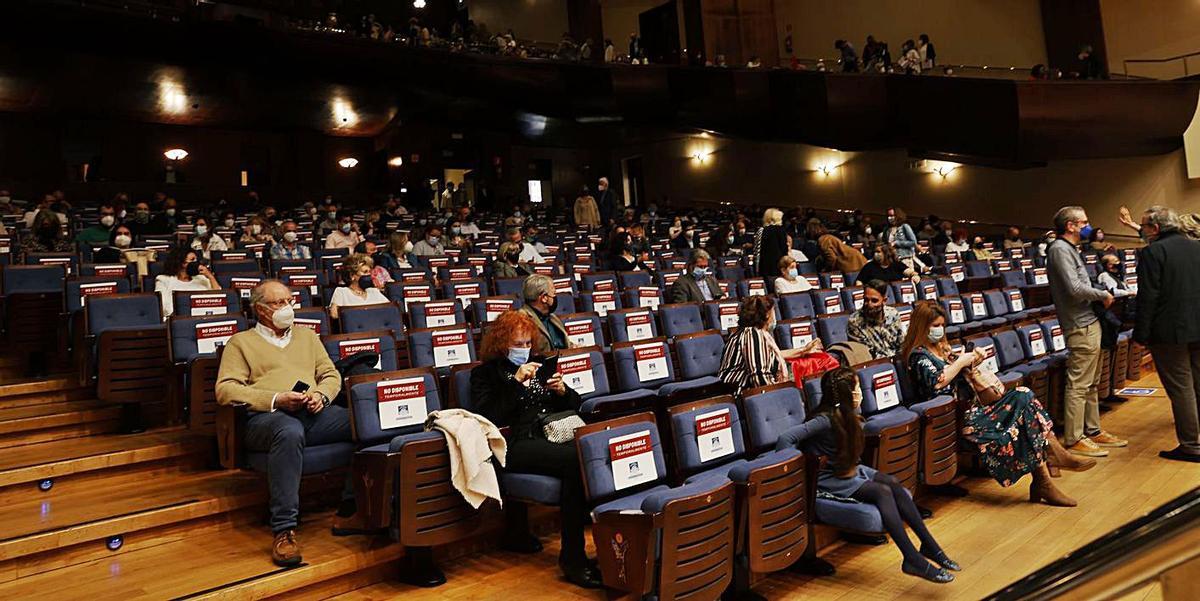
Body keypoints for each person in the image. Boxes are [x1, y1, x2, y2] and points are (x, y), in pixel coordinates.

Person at [215, 280, 354, 567]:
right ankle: (284, 530)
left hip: (311, 412)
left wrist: (321, 396)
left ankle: (354, 507)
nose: (287, 307)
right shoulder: (240, 342)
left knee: (364, 421)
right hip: (266, 419)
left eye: (289, 301)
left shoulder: (307, 337)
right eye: (279, 303)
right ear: (260, 309)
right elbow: (226, 390)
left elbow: (330, 375)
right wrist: (276, 399)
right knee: (289, 431)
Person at [903, 301, 1093, 505]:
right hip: (956, 418)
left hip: (976, 408)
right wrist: (961, 362)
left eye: (941, 325)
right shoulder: (918, 355)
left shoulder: (944, 349)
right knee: (1023, 408)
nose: (939, 330)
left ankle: (1046, 476)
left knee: (1024, 396)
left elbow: (965, 375)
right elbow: (937, 382)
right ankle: (1050, 464)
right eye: (934, 326)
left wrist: (974, 361)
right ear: (922, 327)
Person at [779, 367, 957, 583]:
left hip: (850, 471)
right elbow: (786, 438)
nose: (861, 393)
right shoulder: (825, 419)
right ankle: (912, 559)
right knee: (881, 492)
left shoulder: (849, 414)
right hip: (828, 480)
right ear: (847, 394)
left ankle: (930, 546)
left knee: (892, 484)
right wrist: (797, 469)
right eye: (856, 388)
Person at [469, 310, 601, 588]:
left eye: (528, 344)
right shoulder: (485, 374)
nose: (525, 350)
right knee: (577, 460)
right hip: (514, 444)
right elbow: (488, 416)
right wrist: (516, 382)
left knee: (593, 451)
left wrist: (563, 392)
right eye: (518, 345)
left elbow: (573, 406)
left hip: (550, 435)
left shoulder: (541, 365)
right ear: (502, 344)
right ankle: (573, 558)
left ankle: (596, 550)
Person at [1047, 206, 1126, 457]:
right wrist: (1103, 293)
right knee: (1079, 384)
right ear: (1071, 226)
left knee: (1091, 383)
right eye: (1084, 222)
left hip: (1089, 321)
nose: (1089, 226)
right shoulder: (1059, 249)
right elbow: (1074, 288)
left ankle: (1093, 430)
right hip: (1079, 324)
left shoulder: (1071, 249)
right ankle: (1074, 437)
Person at [1133, 207, 1200, 463]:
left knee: (1181, 387)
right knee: (1198, 383)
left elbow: (1148, 296)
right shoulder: (1197, 246)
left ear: (1155, 228)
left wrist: (1141, 334)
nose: (1142, 232)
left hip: (1170, 331)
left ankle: (1192, 445)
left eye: (1144, 227)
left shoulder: (1153, 251)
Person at [718, 295, 822, 397]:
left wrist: (803, 350)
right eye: (773, 312)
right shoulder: (752, 334)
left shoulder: (754, 332)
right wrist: (778, 395)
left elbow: (770, 355)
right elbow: (759, 375)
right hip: (741, 393)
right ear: (767, 315)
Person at [848, 280, 906, 360]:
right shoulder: (855, 321)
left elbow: (901, 343)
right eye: (866, 300)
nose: (869, 304)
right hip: (875, 364)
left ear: (884, 301)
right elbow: (865, 355)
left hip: (897, 360)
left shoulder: (893, 314)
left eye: (874, 301)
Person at [154, 247, 218, 318]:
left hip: (204, 318)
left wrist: (210, 276)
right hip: (178, 319)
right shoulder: (163, 280)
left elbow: (218, 298)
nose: (197, 263)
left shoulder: (202, 278)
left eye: (197, 260)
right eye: (192, 260)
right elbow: (164, 307)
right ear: (182, 263)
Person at [514, 275, 570, 356]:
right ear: (544, 298)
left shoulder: (553, 317)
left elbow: (563, 343)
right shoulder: (521, 320)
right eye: (554, 293)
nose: (555, 297)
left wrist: (574, 347)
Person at [328, 254, 388, 320]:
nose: (368, 275)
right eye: (365, 272)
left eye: (369, 272)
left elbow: (391, 309)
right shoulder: (342, 292)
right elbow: (334, 314)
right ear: (352, 275)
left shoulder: (374, 291)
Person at [754, 208, 790, 292]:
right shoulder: (781, 230)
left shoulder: (761, 230)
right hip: (779, 268)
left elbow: (757, 252)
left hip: (765, 268)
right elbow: (784, 250)